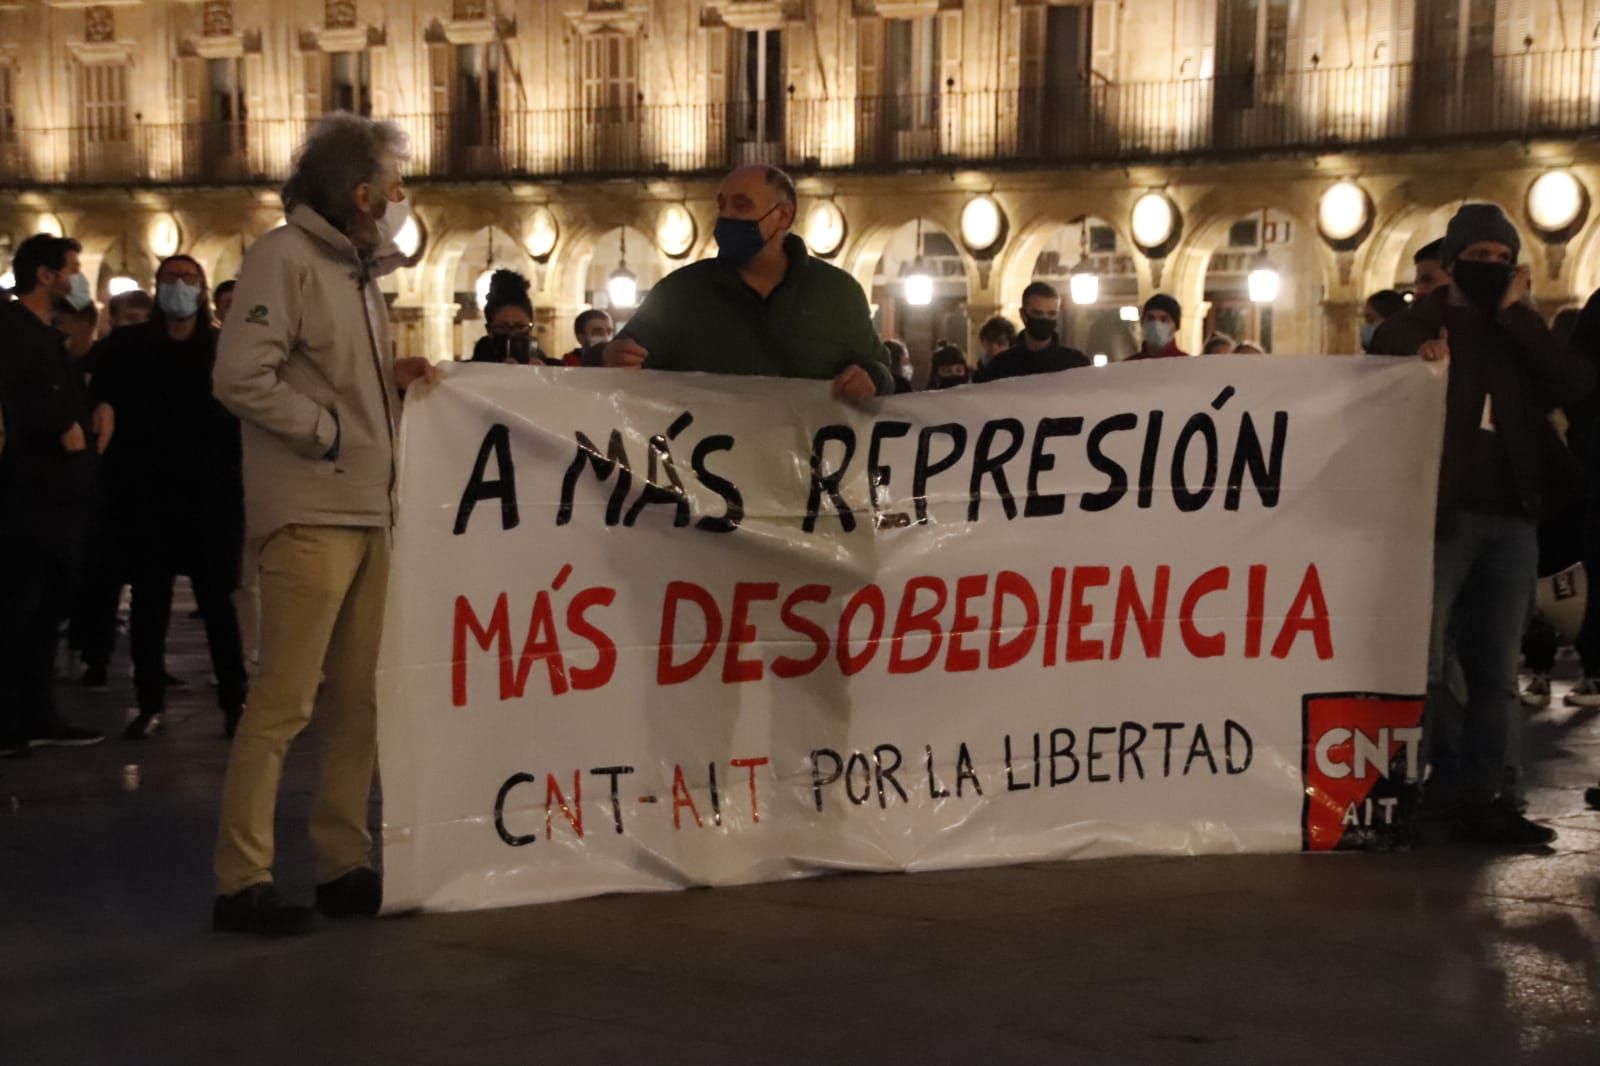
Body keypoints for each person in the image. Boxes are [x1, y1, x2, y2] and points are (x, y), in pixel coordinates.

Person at [211, 113, 438, 937]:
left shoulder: (354, 274)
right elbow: (241, 376)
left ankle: (342, 862)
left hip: (367, 509)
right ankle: (242, 877)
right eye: (397, 189)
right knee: (283, 701)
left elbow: (330, 371)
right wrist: (330, 431)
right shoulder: (284, 260)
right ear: (361, 192)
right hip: (309, 510)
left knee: (358, 701)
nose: (403, 205)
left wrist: (388, 379)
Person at [1370, 202, 1594, 845]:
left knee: (1497, 668)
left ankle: (1484, 795)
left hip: (1511, 522)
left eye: (1502, 258)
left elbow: (1573, 383)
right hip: (1445, 518)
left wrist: (1518, 314)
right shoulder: (1423, 322)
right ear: (1454, 260)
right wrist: (1419, 349)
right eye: (1478, 258)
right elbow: (1379, 363)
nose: (1490, 267)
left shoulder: (1517, 329)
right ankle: (1444, 786)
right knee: (1428, 660)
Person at [91, 255, 248, 741]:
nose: (179, 288)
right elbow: (100, 400)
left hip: (211, 497)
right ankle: (149, 701)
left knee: (219, 605)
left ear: (200, 290)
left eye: (188, 279)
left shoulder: (225, 349)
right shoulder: (127, 345)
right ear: (156, 289)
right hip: (147, 496)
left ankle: (234, 701)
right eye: (170, 280)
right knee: (148, 605)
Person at [603, 164, 892, 399]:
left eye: (741, 207)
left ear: (783, 216)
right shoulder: (680, 292)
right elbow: (623, 361)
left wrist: (872, 378)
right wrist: (615, 357)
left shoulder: (837, 292)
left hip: (806, 465)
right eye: (722, 206)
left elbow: (881, 368)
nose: (727, 216)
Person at [0, 234, 106, 755]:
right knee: (18, 609)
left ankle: (37, 713)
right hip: (27, 498)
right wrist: (56, 423)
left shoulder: (50, 335)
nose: (77, 280)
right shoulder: (12, 330)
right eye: (71, 269)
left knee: (46, 613)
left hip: (60, 500)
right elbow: (18, 398)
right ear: (45, 276)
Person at [972, 282, 1089, 382]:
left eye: (1051, 314)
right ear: (1023, 314)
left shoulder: (1075, 363)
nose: (1045, 319)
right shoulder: (1001, 365)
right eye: (1037, 313)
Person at [469, 269, 546, 365]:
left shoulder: (551, 368)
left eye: (520, 326)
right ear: (489, 330)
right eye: (502, 327)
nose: (512, 333)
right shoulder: (468, 371)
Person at [1127, 294, 1190, 360]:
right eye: (1150, 318)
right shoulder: (1128, 364)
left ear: (1176, 327)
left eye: (1164, 319)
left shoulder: (1187, 363)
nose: (1156, 325)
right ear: (1142, 323)